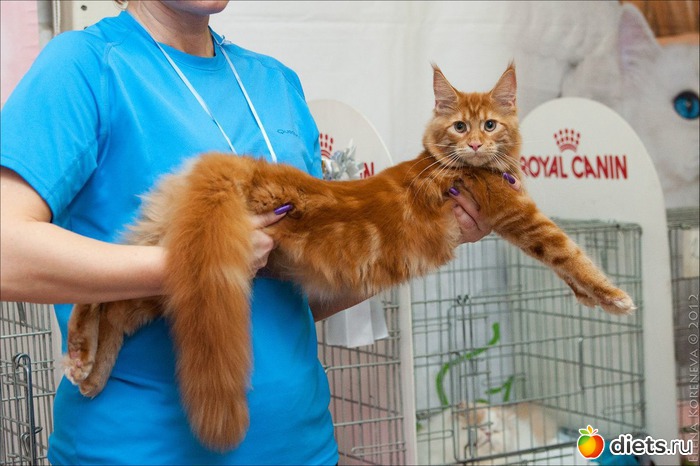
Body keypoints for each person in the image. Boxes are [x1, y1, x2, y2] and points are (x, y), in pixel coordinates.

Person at [0, 1, 507, 463]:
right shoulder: (86, 65)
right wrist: (207, 258)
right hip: (136, 451)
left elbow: (302, 297)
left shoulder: (276, 85)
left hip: (303, 448)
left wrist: (439, 233)